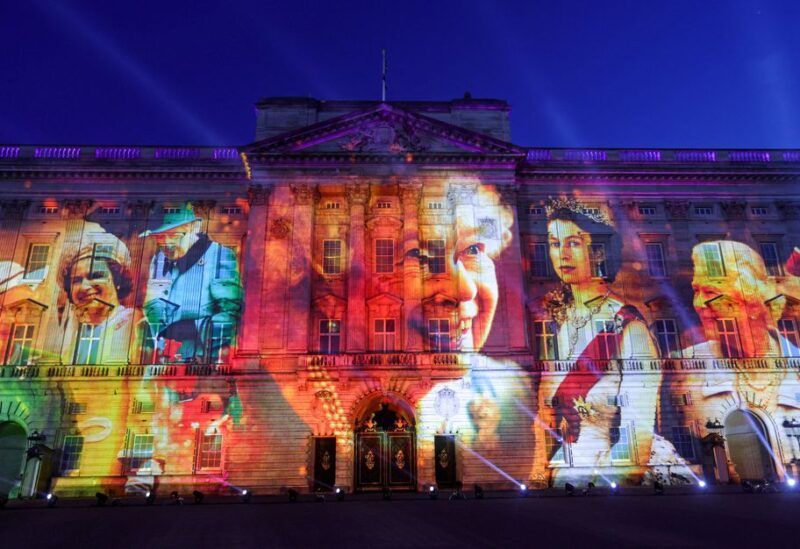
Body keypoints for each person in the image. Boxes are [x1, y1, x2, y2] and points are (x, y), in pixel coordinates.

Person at [540, 197, 661, 483]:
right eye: (555, 244)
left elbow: (637, 437)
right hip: (566, 465)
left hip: (604, 470)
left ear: (598, 252)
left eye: (573, 243)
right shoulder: (560, 321)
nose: (562, 255)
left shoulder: (630, 327)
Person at [140, 203, 243, 364]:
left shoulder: (220, 255)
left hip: (200, 365)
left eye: (174, 235)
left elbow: (232, 315)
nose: (166, 244)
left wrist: (193, 328)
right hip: (164, 364)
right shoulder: (160, 258)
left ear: (194, 227)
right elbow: (152, 301)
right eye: (159, 237)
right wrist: (162, 333)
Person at [57, 231, 137, 364]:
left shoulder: (133, 326)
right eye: (76, 280)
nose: (84, 287)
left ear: (117, 281)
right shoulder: (69, 331)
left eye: (96, 276)